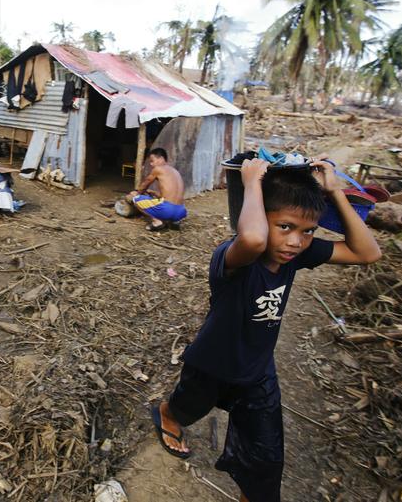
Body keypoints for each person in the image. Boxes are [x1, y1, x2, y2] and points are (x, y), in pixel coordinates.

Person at [150, 156, 382, 502]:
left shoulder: (297, 253)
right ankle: (166, 413)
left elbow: (367, 253)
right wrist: (252, 183)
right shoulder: (232, 256)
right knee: (187, 407)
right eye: (285, 226)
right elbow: (255, 238)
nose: (296, 242)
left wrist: (334, 192)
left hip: (257, 371)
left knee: (266, 460)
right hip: (212, 363)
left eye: (308, 231)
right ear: (259, 213)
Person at [127, 148, 187, 231]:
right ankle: (175, 222)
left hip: (168, 209)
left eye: (152, 161)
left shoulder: (158, 169)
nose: (151, 164)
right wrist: (154, 192)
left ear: (161, 159)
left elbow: (145, 184)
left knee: (136, 199)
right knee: (164, 203)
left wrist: (137, 192)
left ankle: (157, 221)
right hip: (181, 211)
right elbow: (168, 197)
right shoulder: (175, 171)